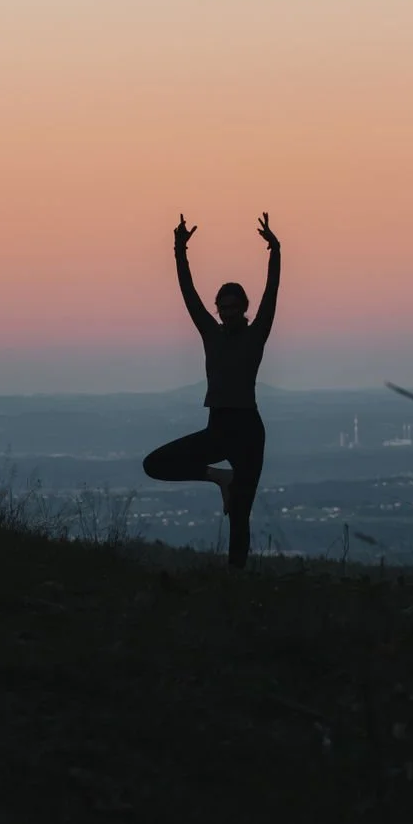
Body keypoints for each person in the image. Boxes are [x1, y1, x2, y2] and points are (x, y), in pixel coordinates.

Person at [142, 211, 280, 568]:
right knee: (155, 464)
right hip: (218, 427)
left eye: (234, 307)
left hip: (248, 430)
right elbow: (188, 294)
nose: (228, 313)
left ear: (244, 308)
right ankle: (220, 477)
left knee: (240, 515)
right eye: (223, 307)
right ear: (217, 309)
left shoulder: (256, 334)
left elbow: (271, 293)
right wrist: (179, 250)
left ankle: (235, 583)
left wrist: (275, 251)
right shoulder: (210, 332)